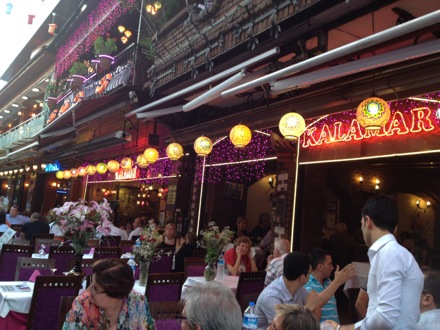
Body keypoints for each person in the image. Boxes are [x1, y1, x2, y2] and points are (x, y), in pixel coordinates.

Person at [325, 195, 424, 330]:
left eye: (361, 223)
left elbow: (385, 318)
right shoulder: (389, 253)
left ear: (367, 221)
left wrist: (342, 329)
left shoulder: (390, 253)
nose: (362, 229)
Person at [255, 251, 354, 330]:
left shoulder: (298, 287)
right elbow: (287, 326)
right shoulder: (271, 297)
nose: (311, 276)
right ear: (302, 277)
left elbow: (317, 302)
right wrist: (308, 308)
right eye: (309, 273)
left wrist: (337, 282)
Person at [63, 258, 155, 329]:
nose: (88, 290)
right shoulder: (82, 304)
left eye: (95, 288)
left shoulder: (137, 303)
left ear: (117, 293)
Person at [305, 248, 344, 323]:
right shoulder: (307, 284)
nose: (332, 268)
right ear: (320, 267)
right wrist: (337, 281)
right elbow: (316, 303)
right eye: (329, 264)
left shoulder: (328, 282)